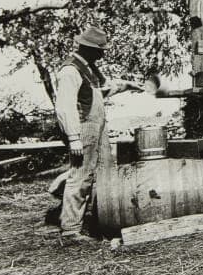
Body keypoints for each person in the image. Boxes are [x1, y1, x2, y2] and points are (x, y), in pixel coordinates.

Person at [53, 25, 143, 246]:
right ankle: (71, 230)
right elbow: (65, 107)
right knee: (81, 175)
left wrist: (127, 85)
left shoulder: (88, 69)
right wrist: (73, 137)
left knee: (105, 173)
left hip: (98, 127)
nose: (103, 53)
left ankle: (102, 221)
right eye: (100, 49)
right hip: (84, 128)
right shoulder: (70, 70)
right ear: (88, 48)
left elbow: (99, 92)